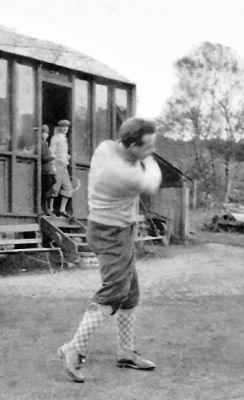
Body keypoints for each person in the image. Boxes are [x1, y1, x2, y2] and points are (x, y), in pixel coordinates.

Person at [57, 117, 162, 383]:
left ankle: (126, 352)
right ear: (131, 145)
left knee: (130, 293)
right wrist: (148, 160)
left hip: (119, 230)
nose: (152, 150)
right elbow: (152, 181)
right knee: (115, 290)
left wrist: (143, 153)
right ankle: (74, 347)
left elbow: (139, 158)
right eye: (148, 146)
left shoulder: (107, 147)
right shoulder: (122, 172)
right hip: (109, 233)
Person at [49, 119, 73, 218]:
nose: (65, 129)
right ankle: (50, 209)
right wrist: (53, 166)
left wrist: (66, 156)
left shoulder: (65, 139)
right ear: (59, 128)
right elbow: (52, 152)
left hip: (64, 166)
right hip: (57, 165)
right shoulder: (55, 138)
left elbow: (62, 151)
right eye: (63, 127)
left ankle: (62, 210)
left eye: (66, 127)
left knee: (68, 188)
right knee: (55, 187)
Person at [40, 124, 57, 215]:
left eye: (46, 133)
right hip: (45, 170)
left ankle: (46, 208)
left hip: (49, 170)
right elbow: (42, 157)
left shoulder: (45, 143)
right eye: (44, 133)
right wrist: (52, 156)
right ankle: (45, 208)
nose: (45, 135)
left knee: (48, 190)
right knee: (46, 190)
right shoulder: (42, 143)